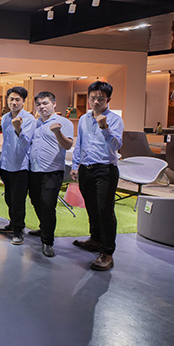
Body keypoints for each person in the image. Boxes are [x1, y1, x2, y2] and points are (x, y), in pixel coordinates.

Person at [71, 81, 123, 271]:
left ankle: (107, 252)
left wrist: (105, 128)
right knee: (91, 207)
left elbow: (117, 145)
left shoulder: (115, 120)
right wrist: (75, 165)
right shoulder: (84, 119)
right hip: (86, 169)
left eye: (100, 99)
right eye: (92, 98)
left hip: (105, 170)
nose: (95, 102)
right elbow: (79, 143)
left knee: (105, 210)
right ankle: (95, 239)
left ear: (108, 100)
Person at [29, 91, 73, 258]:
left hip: (52, 170)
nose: (42, 107)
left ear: (54, 104)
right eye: (39, 104)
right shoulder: (35, 123)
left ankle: (47, 241)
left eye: (45, 103)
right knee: (35, 200)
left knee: (48, 205)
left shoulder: (63, 123)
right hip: (35, 169)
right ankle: (44, 227)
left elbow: (67, 145)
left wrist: (57, 132)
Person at [0, 87, 36, 246]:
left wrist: (18, 128)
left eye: (17, 100)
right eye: (11, 99)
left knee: (18, 200)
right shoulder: (5, 118)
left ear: (23, 101)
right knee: (8, 198)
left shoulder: (29, 119)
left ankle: (19, 230)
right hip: (6, 164)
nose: (14, 102)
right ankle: (13, 224)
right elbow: (6, 142)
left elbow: (26, 143)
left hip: (20, 166)